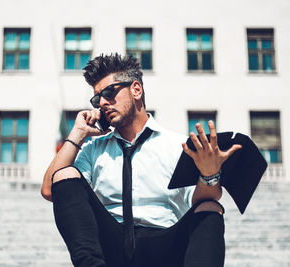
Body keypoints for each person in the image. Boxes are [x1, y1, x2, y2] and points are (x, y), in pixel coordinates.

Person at [41, 53, 241, 267]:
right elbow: (50, 189)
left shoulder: (177, 145)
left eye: (109, 92)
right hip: (110, 246)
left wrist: (209, 174)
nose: (103, 103)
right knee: (64, 173)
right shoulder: (93, 149)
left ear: (136, 89)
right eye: (97, 99)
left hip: (165, 246)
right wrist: (78, 134)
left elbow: (201, 201)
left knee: (210, 207)